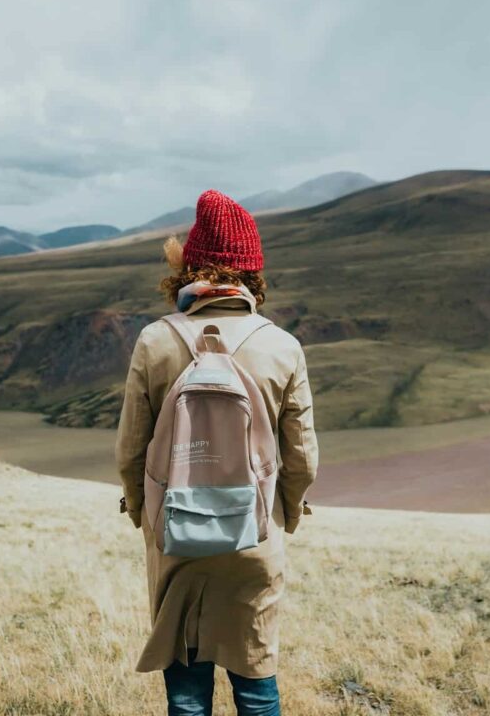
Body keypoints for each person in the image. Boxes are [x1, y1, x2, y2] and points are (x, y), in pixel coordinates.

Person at [115, 189, 320, 716]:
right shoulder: (282, 345)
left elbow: (130, 449)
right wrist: (286, 514)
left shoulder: (155, 340)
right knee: (256, 681)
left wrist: (144, 515)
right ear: (252, 274)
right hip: (254, 531)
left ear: (187, 268)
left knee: (186, 691)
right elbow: (301, 454)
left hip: (177, 532)